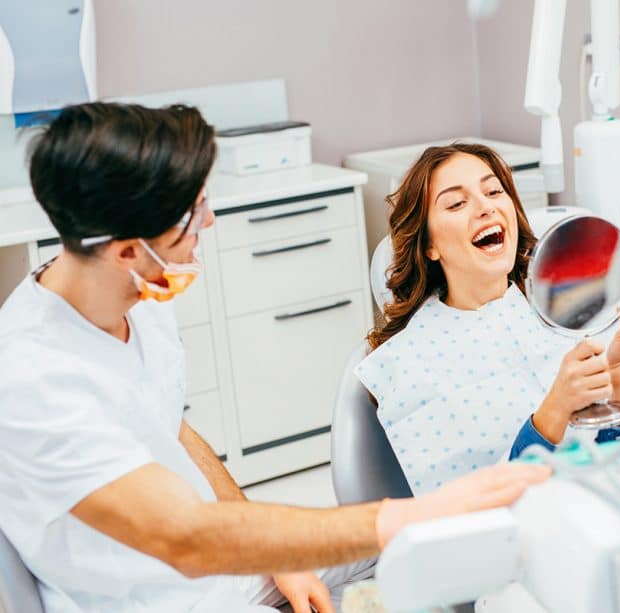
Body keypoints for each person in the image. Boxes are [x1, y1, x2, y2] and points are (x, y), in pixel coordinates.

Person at [0, 104, 551, 613]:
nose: (208, 224)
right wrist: (417, 512)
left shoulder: (134, 294)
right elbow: (183, 538)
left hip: (221, 555)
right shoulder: (35, 379)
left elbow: (168, 422)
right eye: (191, 216)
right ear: (126, 251)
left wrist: (279, 556)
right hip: (160, 596)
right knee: (408, 529)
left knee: (419, 551)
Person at [356, 143, 620, 495]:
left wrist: (619, 391)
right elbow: (460, 517)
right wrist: (554, 412)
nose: (486, 207)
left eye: (493, 191)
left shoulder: (581, 305)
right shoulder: (408, 363)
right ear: (430, 245)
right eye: (457, 203)